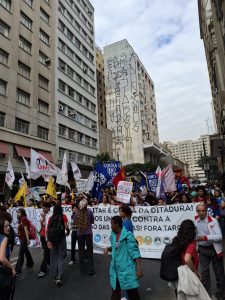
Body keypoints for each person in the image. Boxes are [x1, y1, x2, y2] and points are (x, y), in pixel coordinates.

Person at [104, 216, 142, 300]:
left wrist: (139, 269)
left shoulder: (128, 236)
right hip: (115, 269)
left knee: (132, 293)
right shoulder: (113, 235)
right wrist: (108, 248)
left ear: (117, 224)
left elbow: (135, 252)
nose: (110, 226)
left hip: (126, 270)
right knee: (115, 291)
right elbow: (115, 247)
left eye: (111, 224)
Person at [194, 203, 225, 299]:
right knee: (204, 273)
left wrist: (205, 237)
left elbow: (219, 236)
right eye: (199, 211)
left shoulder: (213, 221)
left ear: (206, 211)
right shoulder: (195, 221)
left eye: (203, 210)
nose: (202, 213)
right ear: (197, 212)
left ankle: (221, 295)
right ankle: (207, 295)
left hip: (215, 250)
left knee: (219, 273)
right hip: (203, 250)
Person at [47, 205, 69, 286]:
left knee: (54, 256)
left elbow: (48, 229)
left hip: (53, 240)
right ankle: (59, 277)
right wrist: (68, 231)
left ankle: (54, 275)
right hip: (61, 238)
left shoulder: (51, 218)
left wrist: (48, 240)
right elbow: (66, 227)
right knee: (61, 257)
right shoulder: (63, 216)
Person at [76, 199, 95, 275]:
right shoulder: (89, 211)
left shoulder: (77, 213)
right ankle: (90, 270)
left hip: (79, 233)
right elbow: (92, 221)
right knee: (89, 251)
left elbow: (75, 222)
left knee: (81, 252)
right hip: (88, 233)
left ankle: (83, 270)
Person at [0, 216, 16, 300]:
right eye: (6, 226)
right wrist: (12, 267)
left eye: (9, 225)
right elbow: (2, 258)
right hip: (3, 272)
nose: (9, 227)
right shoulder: (4, 238)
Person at [15, 208, 34, 275]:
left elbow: (26, 229)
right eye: (17, 212)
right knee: (26, 251)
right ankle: (30, 263)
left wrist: (28, 239)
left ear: (22, 213)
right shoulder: (20, 219)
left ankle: (17, 270)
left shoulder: (23, 219)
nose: (17, 213)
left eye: (18, 212)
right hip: (22, 238)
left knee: (21, 254)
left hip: (24, 238)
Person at [37, 202, 51, 278]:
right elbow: (41, 226)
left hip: (47, 237)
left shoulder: (50, 215)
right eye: (42, 208)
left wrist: (45, 218)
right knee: (47, 252)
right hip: (42, 236)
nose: (43, 209)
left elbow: (48, 226)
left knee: (46, 253)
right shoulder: (42, 215)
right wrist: (42, 219)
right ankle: (49, 264)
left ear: (48, 208)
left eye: (44, 208)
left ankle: (43, 269)